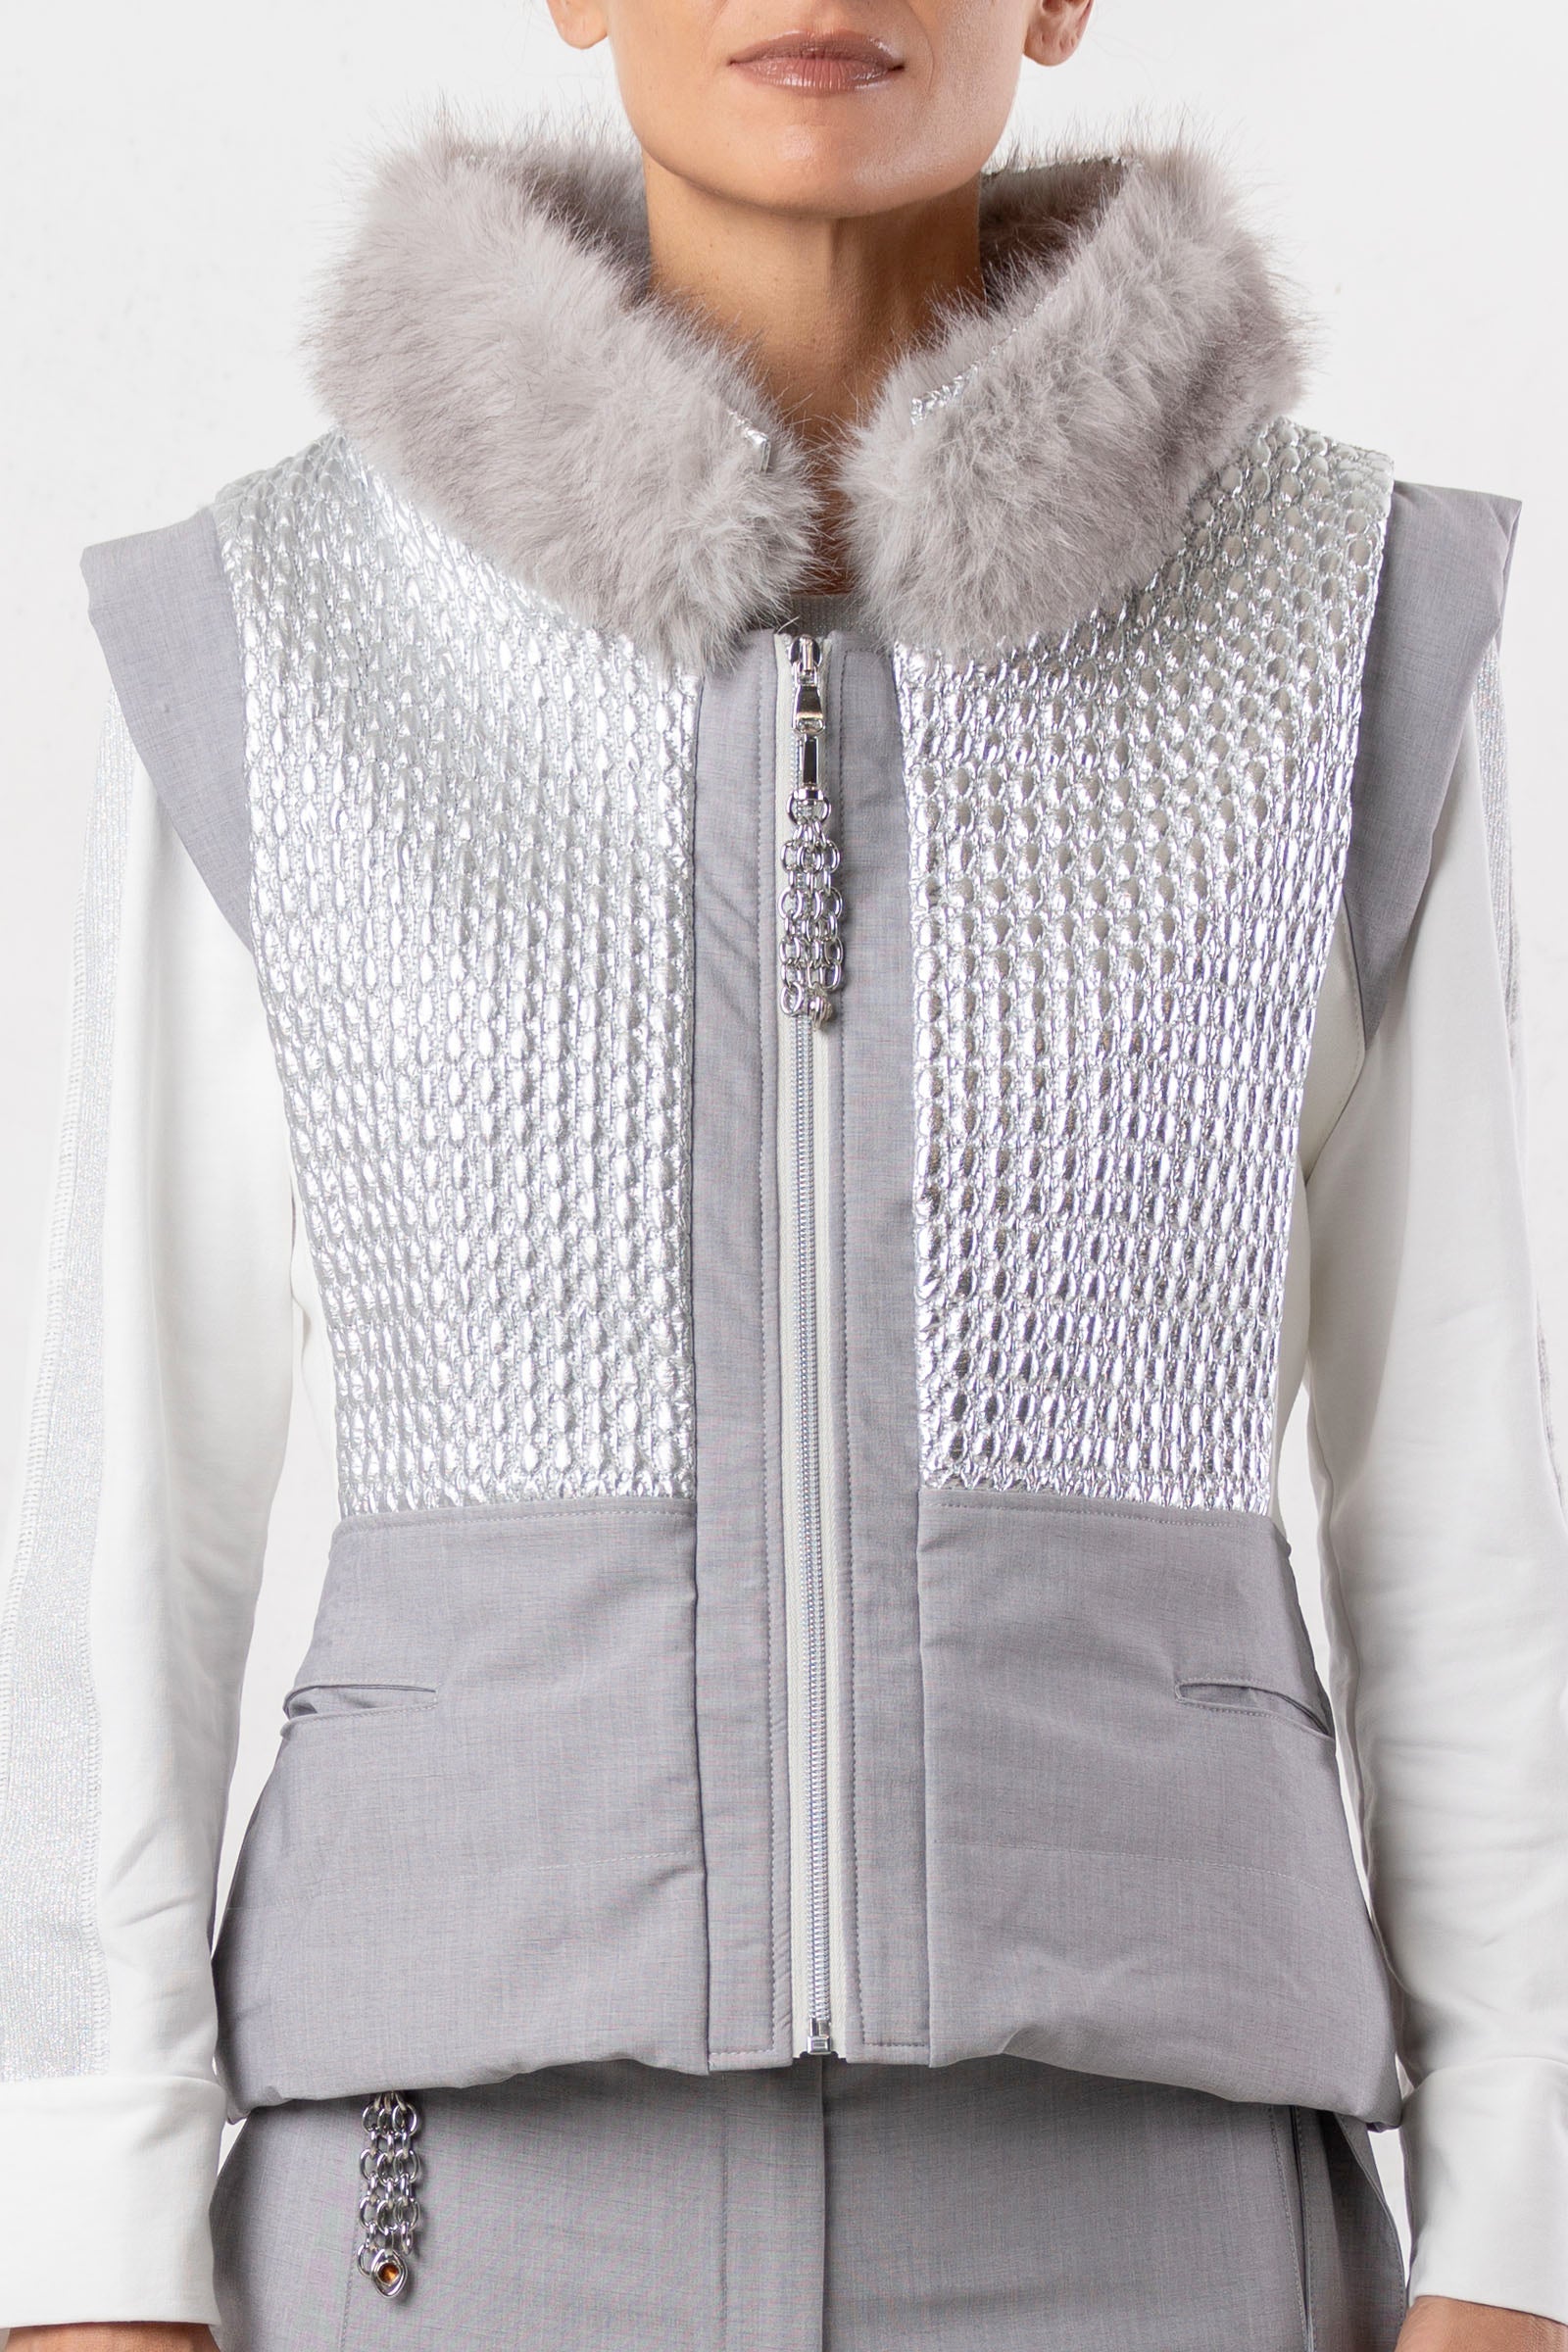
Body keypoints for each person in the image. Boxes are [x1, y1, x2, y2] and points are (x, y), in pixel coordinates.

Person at [2, 0, 1565, 2343]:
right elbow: (131, 1508)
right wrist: (81, 2235)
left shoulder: (1332, 611)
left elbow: (1453, 1483)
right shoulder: (282, 626)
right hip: (456, 2216)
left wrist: (1517, 2218)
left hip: (1148, 2209)